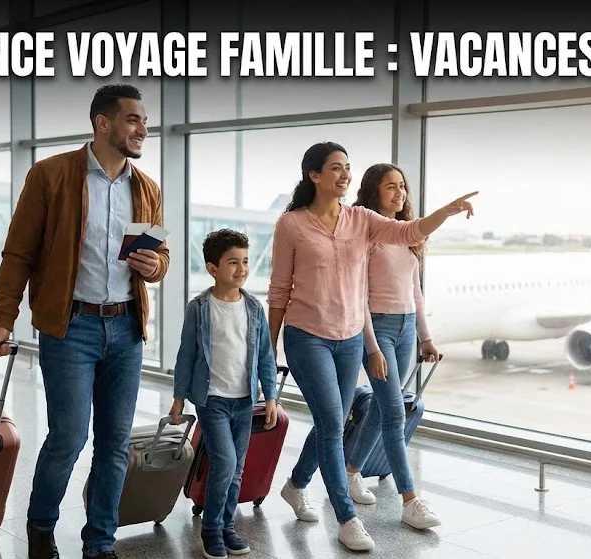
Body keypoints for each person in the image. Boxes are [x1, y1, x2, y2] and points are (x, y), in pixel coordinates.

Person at [0, 84, 169, 559]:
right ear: (102, 123)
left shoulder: (145, 188)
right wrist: (4, 318)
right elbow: (19, 252)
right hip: (71, 328)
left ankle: (100, 542)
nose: (143, 129)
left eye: (144, 121)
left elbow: (157, 255)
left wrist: (157, 266)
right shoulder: (51, 175)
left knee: (113, 445)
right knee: (68, 437)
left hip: (126, 328)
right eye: (133, 120)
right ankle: (40, 526)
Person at [267, 142, 476, 551]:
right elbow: (278, 292)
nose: (345, 174)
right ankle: (347, 518)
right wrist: (267, 350)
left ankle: (295, 485)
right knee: (332, 424)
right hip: (307, 336)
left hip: (349, 339)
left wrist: (445, 212)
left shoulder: (361, 219)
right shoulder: (291, 224)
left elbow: (408, 231)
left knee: (337, 419)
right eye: (335, 168)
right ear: (314, 176)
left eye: (348, 167)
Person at [168, 228, 279, 559]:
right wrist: (178, 398)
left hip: (245, 401)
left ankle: (227, 524)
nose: (242, 269)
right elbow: (186, 355)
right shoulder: (200, 308)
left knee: (237, 468)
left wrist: (269, 396)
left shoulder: (254, 308)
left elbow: (265, 357)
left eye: (245, 261)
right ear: (212, 268)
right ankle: (212, 528)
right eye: (233, 262)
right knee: (225, 462)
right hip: (212, 400)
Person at [345, 163, 442, 529]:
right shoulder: (366, 236)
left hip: (404, 330)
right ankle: (410, 500)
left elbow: (415, 292)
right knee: (395, 414)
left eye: (402, 186)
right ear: (373, 192)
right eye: (390, 187)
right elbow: (359, 298)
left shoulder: (408, 237)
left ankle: (352, 470)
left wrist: (426, 336)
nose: (399, 193)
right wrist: (372, 348)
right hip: (378, 328)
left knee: (387, 408)